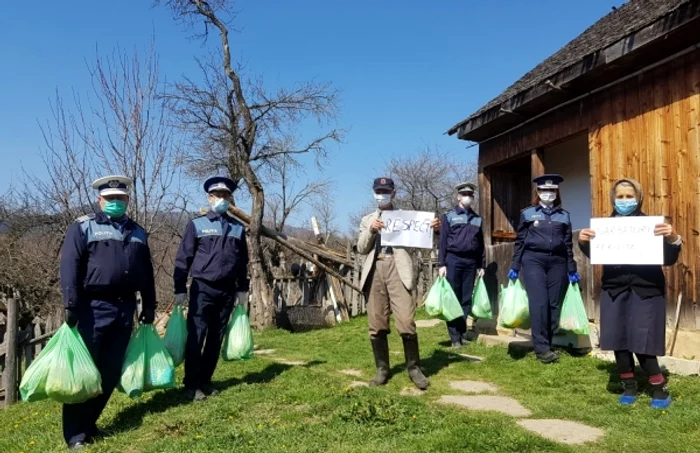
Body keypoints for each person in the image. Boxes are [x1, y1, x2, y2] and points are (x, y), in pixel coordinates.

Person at [59, 175, 156, 450]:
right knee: (85, 373)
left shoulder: (137, 232)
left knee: (109, 372)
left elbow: (147, 272)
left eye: (120, 198)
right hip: (92, 308)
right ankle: (75, 435)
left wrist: (149, 304)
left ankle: (90, 425)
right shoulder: (83, 227)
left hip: (124, 307)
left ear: (127, 200)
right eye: (110, 198)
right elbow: (70, 265)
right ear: (100, 199)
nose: (115, 202)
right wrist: (71, 303)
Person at [578, 178, 681, 409]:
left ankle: (659, 388)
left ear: (639, 198)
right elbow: (596, 255)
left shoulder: (652, 226)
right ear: (613, 199)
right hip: (614, 290)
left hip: (646, 290)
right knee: (619, 340)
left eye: (629, 196)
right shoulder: (603, 228)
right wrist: (583, 242)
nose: (625, 201)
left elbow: (670, 258)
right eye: (620, 196)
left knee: (643, 341)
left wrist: (672, 239)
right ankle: (629, 386)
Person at [357, 177, 439, 390]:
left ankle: (414, 368)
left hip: (398, 269)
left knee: (406, 321)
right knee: (376, 323)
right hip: (375, 269)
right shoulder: (367, 219)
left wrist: (433, 228)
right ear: (374, 193)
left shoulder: (407, 217)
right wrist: (371, 230)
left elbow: (422, 238)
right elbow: (361, 248)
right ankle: (382, 369)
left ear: (393, 193)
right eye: (378, 191)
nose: (381, 194)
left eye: (386, 190)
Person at [174, 176, 250, 402]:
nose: (222, 199)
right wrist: (179, 288)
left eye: (226, 195)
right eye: (217, 195)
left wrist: (242, 289)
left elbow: (242, 261)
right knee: (197, 336)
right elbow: (183, 259)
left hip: (226, 290)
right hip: (202, 288)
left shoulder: (238, 228)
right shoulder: (196, 225)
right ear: (209, 197)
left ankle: (206, 380)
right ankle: (191, 383)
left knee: (216, 337)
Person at [508, 174, 579, 364]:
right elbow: (520, 241)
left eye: (552, 190)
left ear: (556, 192)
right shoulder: (528, 213)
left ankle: (548, 341)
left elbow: (568, 244)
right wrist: (515, 265)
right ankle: (541, 348)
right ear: (538, 192)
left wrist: (572, 268)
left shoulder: (564, 215)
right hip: (533, 261)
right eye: (544, 190)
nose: (548, 193)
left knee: (554, 304)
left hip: (558, 262)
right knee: (539, 302)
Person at [437, 182, 485, 348]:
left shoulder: (477, 219)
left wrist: (481, 265)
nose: (467, 197)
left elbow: (481, 245)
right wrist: (441, 263)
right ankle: (454, 337)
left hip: (471, 262)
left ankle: (461, 332)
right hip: (453, 260)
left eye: (470, 195)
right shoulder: (449, 216)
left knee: (466, 299)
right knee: (453, 299)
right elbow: (442, 241)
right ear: (458, 196)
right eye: (464, 194)